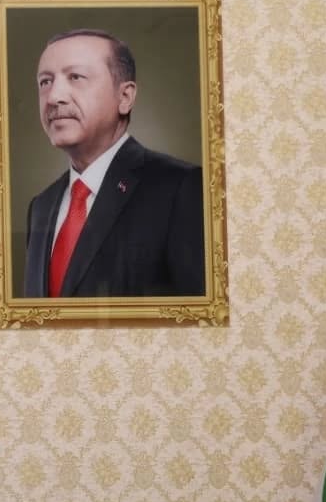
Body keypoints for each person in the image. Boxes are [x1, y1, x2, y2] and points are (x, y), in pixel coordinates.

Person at [13, 28, 205, 299]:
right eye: (45, 81)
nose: (54, 97)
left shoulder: (181, 188)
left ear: (124, 97)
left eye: (75, 77)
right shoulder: (40, 207)